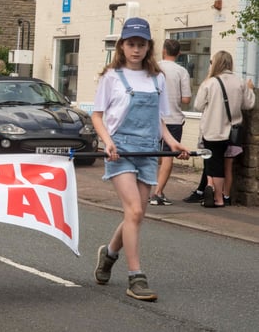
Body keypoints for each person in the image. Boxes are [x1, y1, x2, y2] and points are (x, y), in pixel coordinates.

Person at [91, 17, 189, 302]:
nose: (136, 49)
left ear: (149, 47)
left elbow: (158, 117)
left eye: (141, 44)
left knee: (136, 214)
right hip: (120, 150)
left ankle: (109, 254)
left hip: (148, 151)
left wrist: (171, 142)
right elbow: (97, 115)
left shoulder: (157, 78)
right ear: (122, 46)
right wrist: (108, 143)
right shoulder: (111, 77)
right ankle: (136, 277)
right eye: (131, 44)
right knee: (134, 211)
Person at [193, 50, 254, 208]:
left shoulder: (210, 83)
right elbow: (249, 104)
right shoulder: (239, 82)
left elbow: (198, 105)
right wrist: (251, 90)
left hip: (213, 131)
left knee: (214, 165)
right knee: (227, 166)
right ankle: (225, 196)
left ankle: (217, 197)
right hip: (233, 132)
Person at [151, 39, 191, 206]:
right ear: (179, 53)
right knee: (168, 157)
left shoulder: (154, 68)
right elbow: (186, 99)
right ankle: (158, 193)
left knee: (151, 155)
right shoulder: (182, 72)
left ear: (163, 51)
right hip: (173, 119)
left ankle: (146, 189)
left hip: (153, 118)